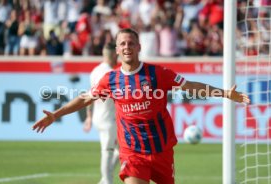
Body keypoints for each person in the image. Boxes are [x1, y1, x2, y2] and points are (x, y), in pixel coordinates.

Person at [32, 28, 250, 184]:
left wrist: (224, 94)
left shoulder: (158, 73)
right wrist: (57, 114)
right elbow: (85, 98)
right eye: (123, 44)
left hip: (162, 149)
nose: (127, 47)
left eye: (131, 43)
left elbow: (190, 86)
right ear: (117, 49)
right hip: (132, 152)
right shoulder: (110, 79)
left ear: (138, 47)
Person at [83, 42, 119, 184]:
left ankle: (105, 179)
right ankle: (107, 180)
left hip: (99, 116)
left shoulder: (95, 71)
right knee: (108, 150)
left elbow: (90, 95)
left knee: (118, 149)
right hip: (109, 118)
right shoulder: (111, 73)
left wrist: (89, 117)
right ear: (113, 55)